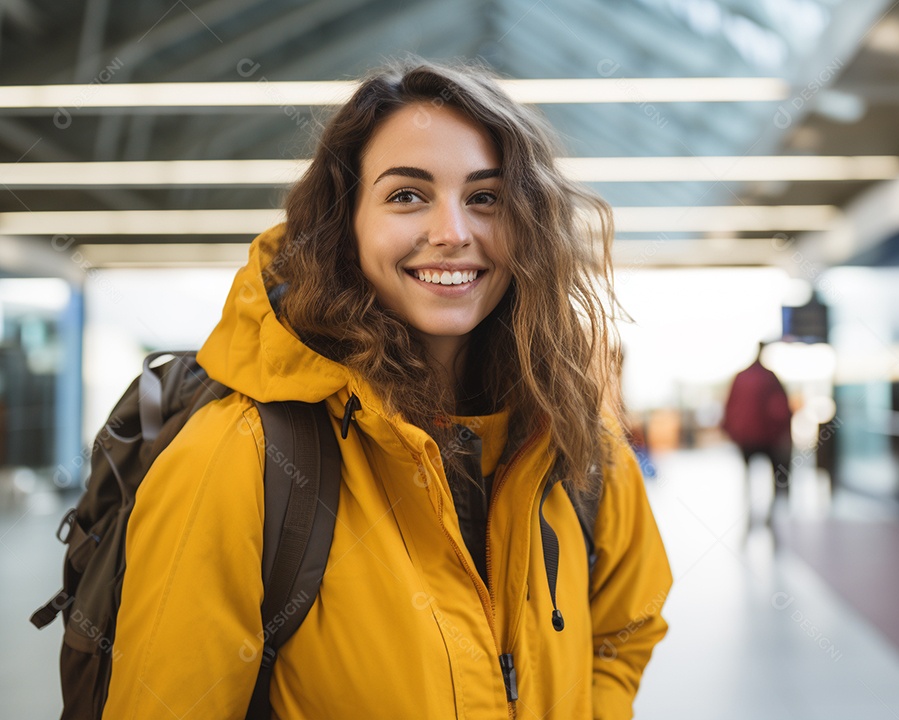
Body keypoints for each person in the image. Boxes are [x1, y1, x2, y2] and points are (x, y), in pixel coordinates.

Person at [103, 60, 671, 719]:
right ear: (345, 224)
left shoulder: (577, 440)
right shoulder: (240, 458)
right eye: (408, 196)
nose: (453, 233)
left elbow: (626, 628)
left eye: (485, 197)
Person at [722, 342, 793, 524]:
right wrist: (783, 430)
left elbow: (730, 406)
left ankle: (749, 507)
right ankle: (772, 509)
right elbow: (781, 407)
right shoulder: (769, 378)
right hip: (767, 437)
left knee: (748, 473)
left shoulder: (741, 377)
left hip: (746, 437)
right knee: (775, 473)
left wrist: (730, 430)